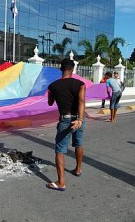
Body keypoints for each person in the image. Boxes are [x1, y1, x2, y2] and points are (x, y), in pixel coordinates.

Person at [46, 58, 86, 191]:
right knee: (78, 143)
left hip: (65, 119)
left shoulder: (53, 86)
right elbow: (81, 102)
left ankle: (61, 182)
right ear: (73, 69)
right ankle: (78, 169)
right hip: (79, 119)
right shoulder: (81, 84)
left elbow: (50, 103)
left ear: (60, 69)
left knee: (59, 150)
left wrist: (51, 94)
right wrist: (80, 120)